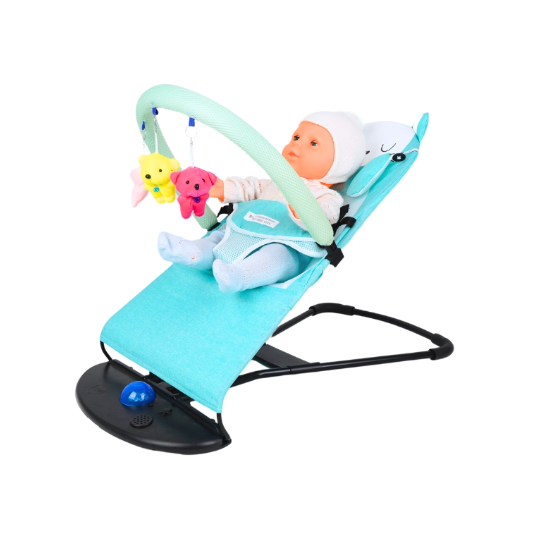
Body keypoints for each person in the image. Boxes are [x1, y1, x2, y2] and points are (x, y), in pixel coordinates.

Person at [158, 111, 366, 293]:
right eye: (296, 137)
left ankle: (239, 276)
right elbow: (249, 188)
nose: (296, 145)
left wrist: (305, 209)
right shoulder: (275, 183)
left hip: (284, 244)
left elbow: (327, 216)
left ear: (341, 164)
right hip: (243, 231)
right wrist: (220, 188)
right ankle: (192, 252)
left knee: (279, 258)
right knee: (218, 238)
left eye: (313, 144)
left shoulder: (326, 195)